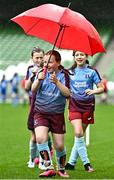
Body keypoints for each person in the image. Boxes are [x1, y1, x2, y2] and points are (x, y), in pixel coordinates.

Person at [31, 50, 70, 178]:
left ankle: (61, 169)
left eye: (50, 62)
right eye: (45, 61)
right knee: (40, 138)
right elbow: (33, 89)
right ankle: (49, 167)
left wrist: (57, 82)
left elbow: (68, 94)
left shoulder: (65, 75)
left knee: (59, 146)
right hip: (40, 112)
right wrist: (38, 80)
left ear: (58, 63)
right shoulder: (41, 72)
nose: (46, 64)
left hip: (57, 114)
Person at [65, 50, 104, 172]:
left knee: (79, 136)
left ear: (86, 56)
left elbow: (101, 88)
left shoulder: (92, 71)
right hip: (74, 106)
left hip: (88, 106)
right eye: (77, 55)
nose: (79, 57)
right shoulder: (69, 72)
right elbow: (67, 93)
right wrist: (67, 110)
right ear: (74, 57)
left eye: (82, 54)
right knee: (78, 132)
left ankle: (71, 163)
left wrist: (94, 91)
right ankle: (87, 163)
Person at [25, 47, 53, 169]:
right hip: (33, 103)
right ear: (32, 58)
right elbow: (26, 86)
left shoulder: (49, 69)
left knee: (44, 134)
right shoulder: (30, 69)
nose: (39, 60)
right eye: (37, 57)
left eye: (41, 57)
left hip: (46, 103)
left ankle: (43, 161)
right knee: (34, 134)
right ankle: (31, 159)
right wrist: (33, 76)